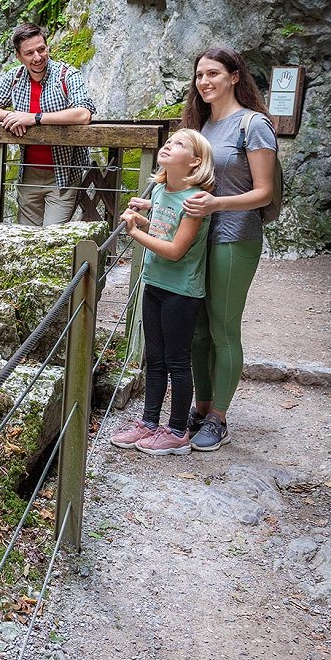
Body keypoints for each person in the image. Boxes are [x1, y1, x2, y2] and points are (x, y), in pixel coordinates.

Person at [166, 47, 278, 452]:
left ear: (234, 76)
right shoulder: (200, 127)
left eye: (213, 73)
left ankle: (219, 417)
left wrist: (216, 204)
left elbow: (263, 193)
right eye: (199, 75)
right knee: (195, 329)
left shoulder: (254, 125)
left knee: (222, 327)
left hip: (234, 235)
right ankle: (201, 406)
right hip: (197, 237)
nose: (205, 82)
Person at [108, 129, 216, 455]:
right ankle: (149, 423)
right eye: (168, 142)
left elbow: (175, 250)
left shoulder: (195, 201)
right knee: (154, 359)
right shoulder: (159, 189)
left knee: (177, 361)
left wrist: (133, 230)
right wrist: (146, 213)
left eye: (179, 144)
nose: (169, 145)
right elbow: (162, 223)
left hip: (181, 291)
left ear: (195, 161)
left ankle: (179, 431)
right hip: (154, 282)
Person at [0, 23, 97, 225]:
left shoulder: (67, 75)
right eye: (29, 53)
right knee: (27, 237)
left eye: (41, 49)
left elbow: (83, 114)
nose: (37, 57)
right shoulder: (15, 77)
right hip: (29, 173)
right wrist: (13, 116)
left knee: (52, 238)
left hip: (64, 173)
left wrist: (34, 117)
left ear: (47, 47)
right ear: (19, 56)